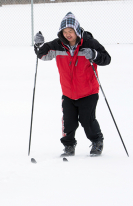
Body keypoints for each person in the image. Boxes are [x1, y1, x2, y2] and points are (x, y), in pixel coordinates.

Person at [34, 12, 111, 157]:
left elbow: (107, 59)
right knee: (68, 122)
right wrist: (39, 46)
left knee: (87, 120)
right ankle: (69, 146)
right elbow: (43, 55)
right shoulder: (57, 45)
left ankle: (97, 142)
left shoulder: (89, 43)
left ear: (76, 30)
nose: (68, 34)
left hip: (88, 91)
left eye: (71, 31)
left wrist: (94, 55)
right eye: (65, 31)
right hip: (68, 92)